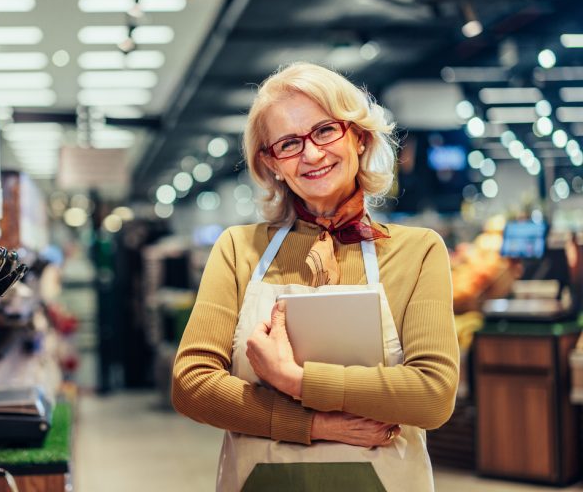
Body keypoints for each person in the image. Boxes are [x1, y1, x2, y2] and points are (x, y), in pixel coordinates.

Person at [171, 62, 459, 492]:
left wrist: (296, 380)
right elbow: (192, 384)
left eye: (325, 130)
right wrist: (316, 423)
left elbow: (433, 394)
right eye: (288, 143)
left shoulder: (418, 251)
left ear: (358, 136)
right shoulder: (237, 249)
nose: (311, 154)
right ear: (270, 164)